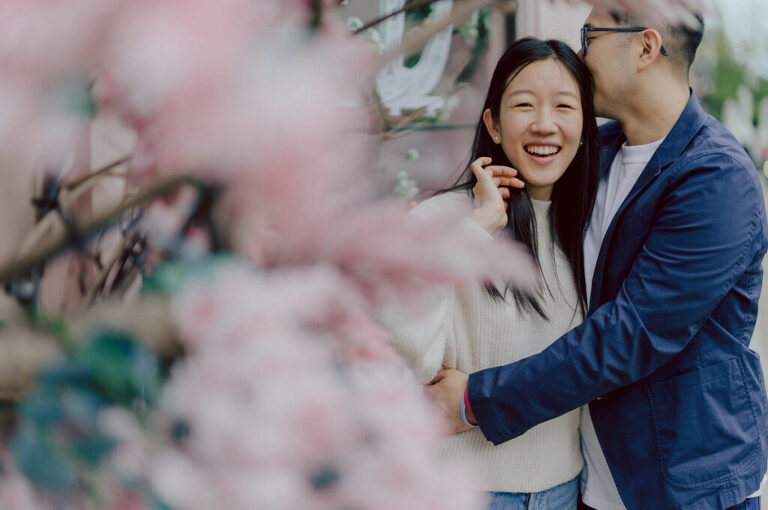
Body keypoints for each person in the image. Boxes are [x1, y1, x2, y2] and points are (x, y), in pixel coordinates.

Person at [427, 8, 768, 510]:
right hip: (589, 481)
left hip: (682, 487)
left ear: (645, 48)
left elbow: (629, 336)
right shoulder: (596, 153)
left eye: (590, 36)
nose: (580, 54)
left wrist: (475, 401)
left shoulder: (717, 179)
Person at [376, 37, 601, 509]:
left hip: (563, 490)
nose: (544, 124)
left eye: (564, 106)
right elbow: (404, 353)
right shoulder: (442, 220)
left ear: (584, 126)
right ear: (493, 125)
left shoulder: (588, 225)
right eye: (523, 105)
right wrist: (475, 231)